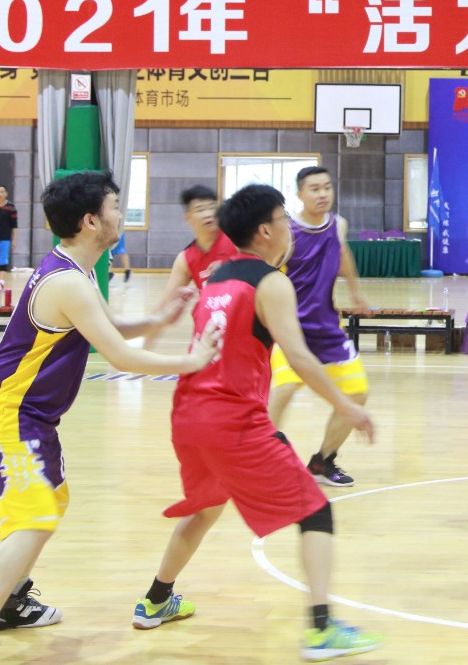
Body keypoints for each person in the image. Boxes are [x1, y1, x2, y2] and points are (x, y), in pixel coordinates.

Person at [0, 171, 221, 665]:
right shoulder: (67, 281)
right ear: (90, 221)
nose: (119, 215)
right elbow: (120, 356)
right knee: (36, 515)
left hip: (32, 415)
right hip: (8, 413)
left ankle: (11, 599)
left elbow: (108, 325)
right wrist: (192, 362)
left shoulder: (77, 269)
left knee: (52, 501)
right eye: (114, 207)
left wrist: (157, 319)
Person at [133, 183, 382, 661]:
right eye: (284, 220)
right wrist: (347, 406)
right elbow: (300, 357)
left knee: (206, 508)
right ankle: (322, 631)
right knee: (316, 510)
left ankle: (156, 601)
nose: (290, 228)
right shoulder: (270, 283)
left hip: (188, 416)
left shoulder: (217, 278)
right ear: (265, 231)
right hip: (233, 421)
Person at [267, 166, 372, 488]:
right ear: (300, 194)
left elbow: (343, 254)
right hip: (289, 329)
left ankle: (323, 461)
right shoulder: (286, 231)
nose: (323, 193)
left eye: (327, 187)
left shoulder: (338, 225)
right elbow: (264, 268)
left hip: (327, 328)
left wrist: (355, 291)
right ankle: (259, 458)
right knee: (283, 390)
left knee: (357, 392)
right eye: (314, 188)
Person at [155, 185, 239, 309]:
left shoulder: (237, 240)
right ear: (187, 218)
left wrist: (229, 267)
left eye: (212, 208)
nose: (208, 214)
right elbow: (166, 303)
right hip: (214, 319)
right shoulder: (185, 259)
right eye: (200, 210)